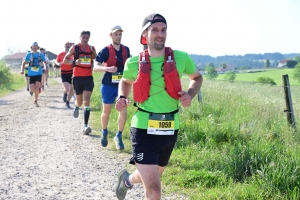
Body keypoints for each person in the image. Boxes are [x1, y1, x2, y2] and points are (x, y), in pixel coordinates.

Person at [114, 13, 203, 200]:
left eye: (163, 30)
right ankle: (130, 181)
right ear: (144, 34)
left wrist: (190, 94)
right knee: (154, 190)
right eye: (154, 30)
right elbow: (125, 80)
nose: (160, 34)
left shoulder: (181, 58)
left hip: (170, 129)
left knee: (153, 176)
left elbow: (197, 77)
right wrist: (122, 97)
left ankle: (127, 181)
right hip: (143, 129)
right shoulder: (133, 62)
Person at [93, 25, 130, 150]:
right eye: (116, 34)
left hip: (122, 86)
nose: (118, 37)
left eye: (120, 34)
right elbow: (95, 66)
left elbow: (130, 66)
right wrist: (107, 68)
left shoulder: (126, 50)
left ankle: (118, 136)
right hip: (108, 85)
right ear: (111, 35)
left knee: (123, 112)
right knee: (106, 112)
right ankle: (104, 132)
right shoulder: (106, 50)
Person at [63, 31, 96, 135]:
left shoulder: (91, 48)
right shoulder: (75, 48)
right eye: (84, 37)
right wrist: (74, 62)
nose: (85, 39)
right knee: (80, 102)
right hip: (77, 77)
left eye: (87, 38)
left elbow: (95, 58)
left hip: (88, 77)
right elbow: (65, 60)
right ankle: (77, 106)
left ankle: (85, 125)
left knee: (87, 101)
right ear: (80, 37)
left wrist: (93, 52)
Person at [20, 42, 47, 107]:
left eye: (36, 46)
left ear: (38, 47)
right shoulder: (28, 54)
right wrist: (22, 70)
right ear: (31, 47)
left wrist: (45, 67)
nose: (35, 47)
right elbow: (24, 62)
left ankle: (35, 100)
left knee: (37, 87)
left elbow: (44, 62)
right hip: (31, 74)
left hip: (38, 73)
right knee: (32, 89)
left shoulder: (41, 55)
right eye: (33, 46)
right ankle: (35, 91)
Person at [56, 42, 75, 108]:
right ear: (64, 46)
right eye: (66, 45)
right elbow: (57, 61)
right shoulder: (61, 54)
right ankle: (65, 93)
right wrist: (58, 64)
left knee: (72, 89)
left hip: (72, 72)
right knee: (67, 89)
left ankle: (68, 102)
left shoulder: (73, 54)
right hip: (63, 73)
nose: (67, 47)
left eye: (68, 46)